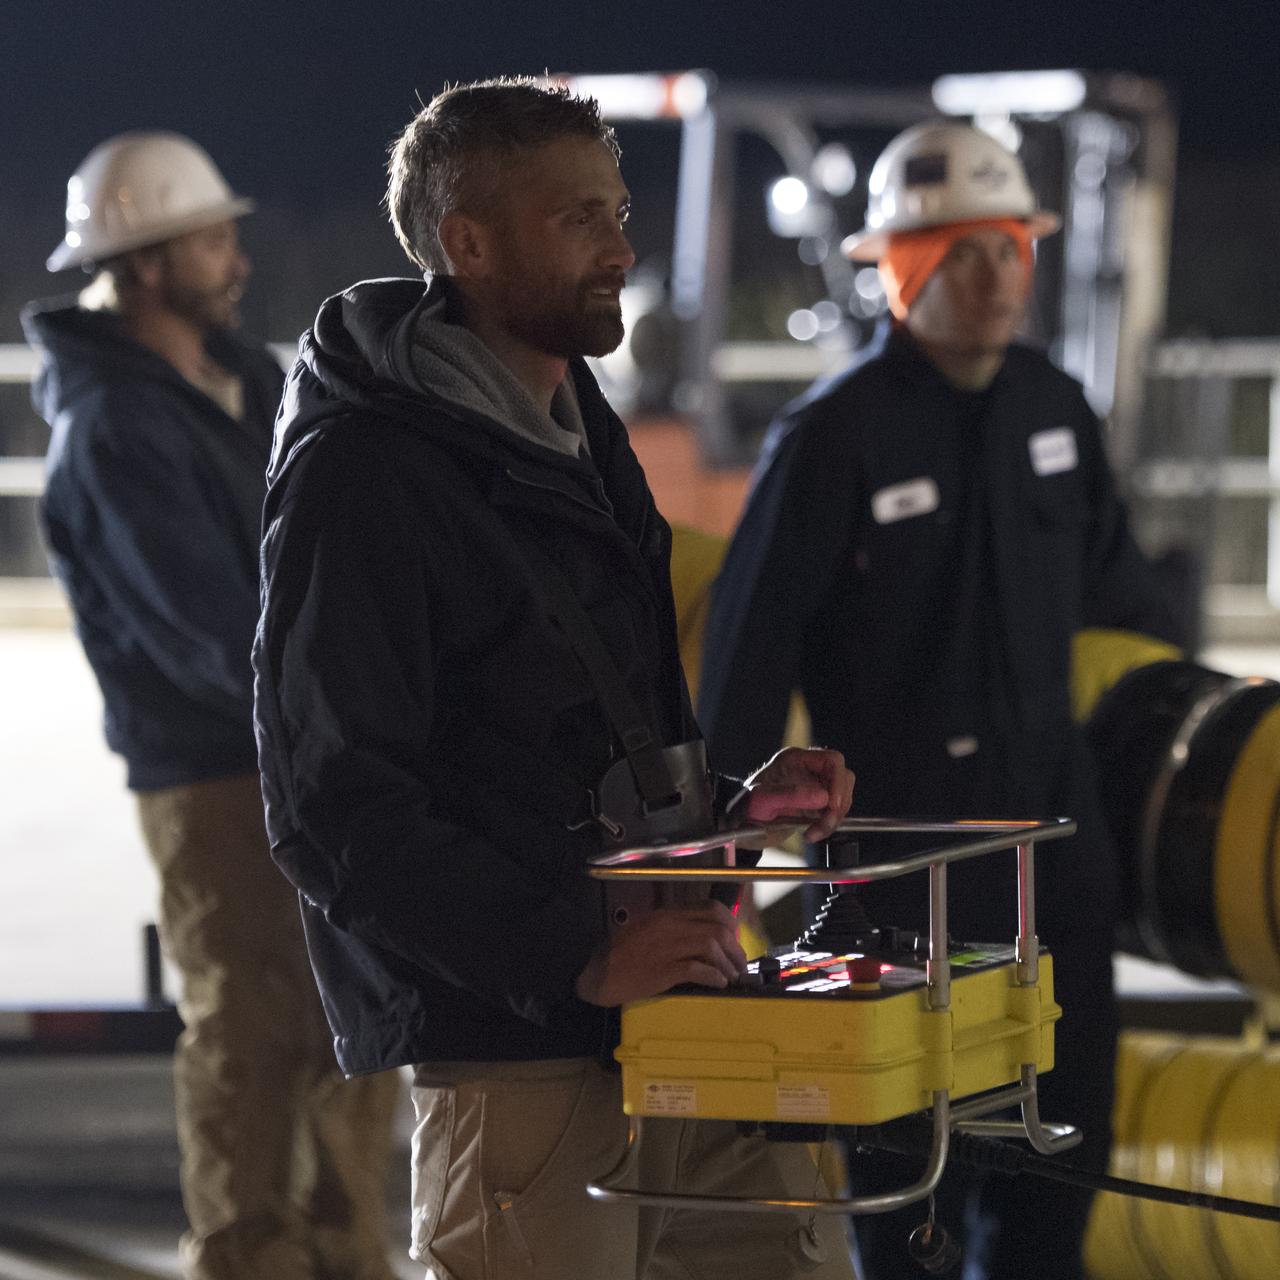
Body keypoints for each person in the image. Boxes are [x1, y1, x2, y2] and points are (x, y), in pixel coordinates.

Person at [251, 78, 858, 1280]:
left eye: (617, 210)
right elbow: (331, 803)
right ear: (465, 245)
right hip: (520, 1047)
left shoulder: (568, 417)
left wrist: (723, 809)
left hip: (672, 1000)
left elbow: (556, 732)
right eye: (577, 218)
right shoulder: (362, 474)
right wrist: (570, 953)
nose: (622, 249)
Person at [698, 121, 1178, 1280]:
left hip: (1053, 873)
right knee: (910, 1194)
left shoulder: (1053, 411)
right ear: (893, 267)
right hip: (896, 885)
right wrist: (717, 875)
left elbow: (1126, 619)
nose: (993, 276)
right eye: (959, 252)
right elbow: (743, 668)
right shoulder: (832, 438)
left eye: (1008, 247)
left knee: (1055, 1175)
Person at [25, 132, 400, 1280]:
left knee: (352, 997)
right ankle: (249, 1250)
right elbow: (202, 625)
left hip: (307, 741)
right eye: (209, 235)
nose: (233, 254)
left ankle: (343, 1243)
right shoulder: (114, 426)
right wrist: (326, 700)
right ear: (142, 262)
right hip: (212, 764)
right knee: (250, 1010)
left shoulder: (242, 383)